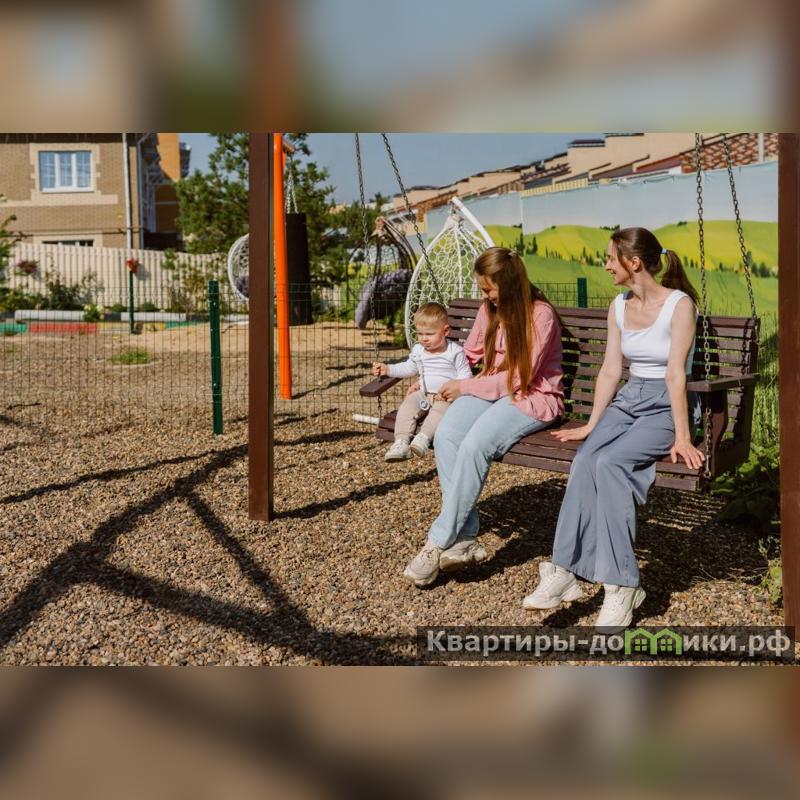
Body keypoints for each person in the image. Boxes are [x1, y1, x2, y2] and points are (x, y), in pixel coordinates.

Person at [523, 227, 704, 631]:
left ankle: (622, 584)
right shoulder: (619, 306)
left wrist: (682, 435)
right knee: (586, 459)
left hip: (666, 404)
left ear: (633, 262)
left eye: (610, 258)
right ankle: (564, 570)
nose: (605, 265)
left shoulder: (679, 306)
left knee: (611, 463)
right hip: (630, 397)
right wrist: (592, 424)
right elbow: (610, 370)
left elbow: (676, 374)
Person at [403, 247, 564, 587]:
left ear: (510, 283)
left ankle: (437, 542)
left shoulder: (541, 315)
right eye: (482, 289)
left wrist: (465, 387)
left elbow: (520, 377)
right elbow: (470, 354)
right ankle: (465, 537)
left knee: (476, 444)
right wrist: (432, 378)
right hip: (491, 388)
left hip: (530, 395)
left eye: (489, 288)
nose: (486, 295)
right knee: (447, 434)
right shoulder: (489, 309)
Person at [372, 302, 473, 461]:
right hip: (423, 393)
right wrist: (388, 369)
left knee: (439, 413)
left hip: (445, 397)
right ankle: (401, 442)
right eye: (420, 334)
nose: (424, 339)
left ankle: (423, 438)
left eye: (429, 334)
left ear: (446, 331)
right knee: (406, 407)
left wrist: (451, 391)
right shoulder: (419, 350)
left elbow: (466, 376)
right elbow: (409, 368)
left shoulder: (454, 352)